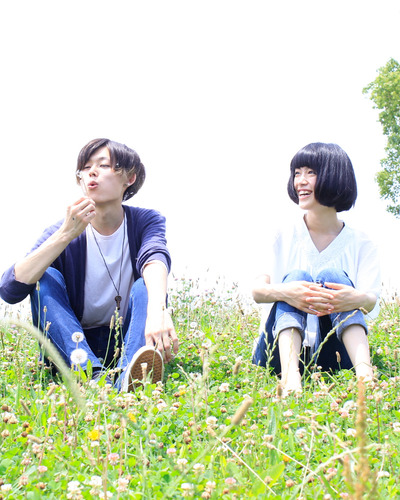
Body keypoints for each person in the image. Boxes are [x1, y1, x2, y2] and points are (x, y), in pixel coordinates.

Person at [0, 138, 178, 390]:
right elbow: (10, 290)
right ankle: (91, 376)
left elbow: (155, 257)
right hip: (73, 345)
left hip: (127, 341)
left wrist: (158, 310)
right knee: (44, 277)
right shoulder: (65, 229)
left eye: (104, 165)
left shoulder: (145, 220)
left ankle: (128, 375)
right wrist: (64, 235)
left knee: (145, 285)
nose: (92, 172)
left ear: (130, 178)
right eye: (85, 168)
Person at [252, 142, 380, 394]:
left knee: (334, 277)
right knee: (295, 278)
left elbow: (371, 301)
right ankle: (291, 380)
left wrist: (353, 297)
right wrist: (289, 292)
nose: (300, 181)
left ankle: (365, 377)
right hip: (277, 353)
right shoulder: (281, 235)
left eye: (311, 172)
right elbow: (257, 291)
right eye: (297, 173)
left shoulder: (362, 243)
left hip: (337, 356)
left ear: (336, 176)